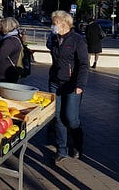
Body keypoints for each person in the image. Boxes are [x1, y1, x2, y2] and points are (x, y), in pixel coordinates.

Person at [47, 10, 89, 164]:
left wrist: (80, 85)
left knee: (71, 118)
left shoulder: (77, 40)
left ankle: (78, 145)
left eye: (54, 23)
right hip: (55, 82)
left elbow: (84, 64)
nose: (52, 25)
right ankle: (61, 149)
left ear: (64, 23)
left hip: (72, 85)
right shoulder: (53, 38)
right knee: (57, 117)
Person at [0, 17, 23, 83]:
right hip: (5, 73)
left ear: (7, 27)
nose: (0, 29)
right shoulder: (14, 38)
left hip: (3, 76)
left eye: (1, 27)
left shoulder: (10, 41)